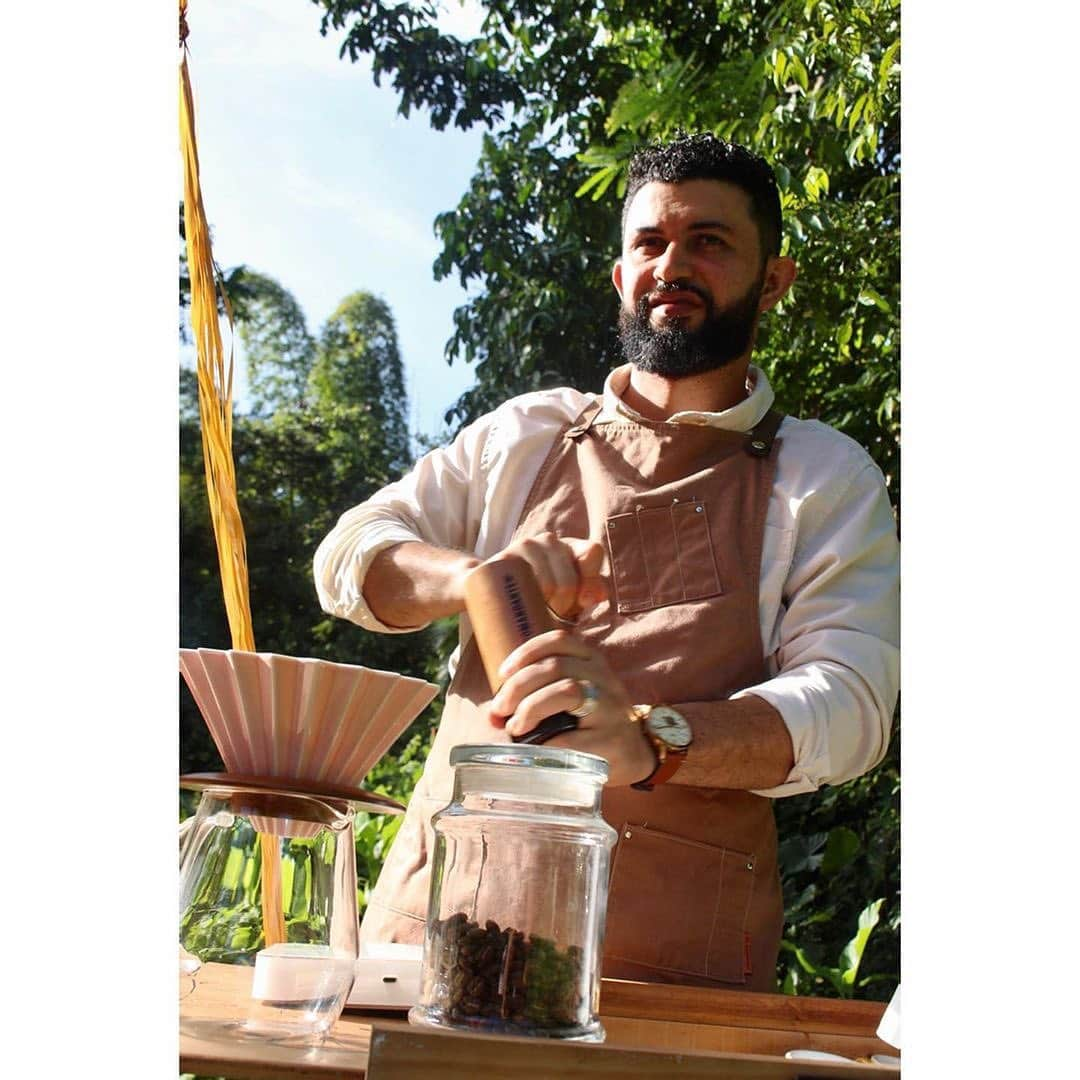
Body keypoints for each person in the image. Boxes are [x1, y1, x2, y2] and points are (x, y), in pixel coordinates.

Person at [314, 133, 899, 993]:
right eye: (650, 243)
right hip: (431, 936)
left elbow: (850, 707)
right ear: (622, 276)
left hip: (667, 972)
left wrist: (655, 741)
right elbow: (348, 557)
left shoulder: (824, 476)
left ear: (773, 279)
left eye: (710, 241)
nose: (673, 264)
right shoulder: (526, 432)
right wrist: (471, 577)